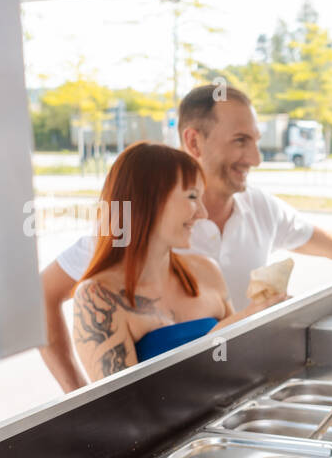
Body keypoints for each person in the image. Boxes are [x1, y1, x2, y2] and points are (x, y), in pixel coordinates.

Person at [40, 83, 332, 391]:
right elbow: (42, 299)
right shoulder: (121, 242)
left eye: (256, 140)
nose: (256, 158)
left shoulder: (256, 213)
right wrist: (76, 397)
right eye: (240, 141)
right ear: (194, 141)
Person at [71, 142, 284, 382]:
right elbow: (124, 410)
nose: (203, 213)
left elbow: (233, 371)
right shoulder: (97, 297)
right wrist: (222, 333)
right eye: (192, 196)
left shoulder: (207, 270)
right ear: (148, 200)